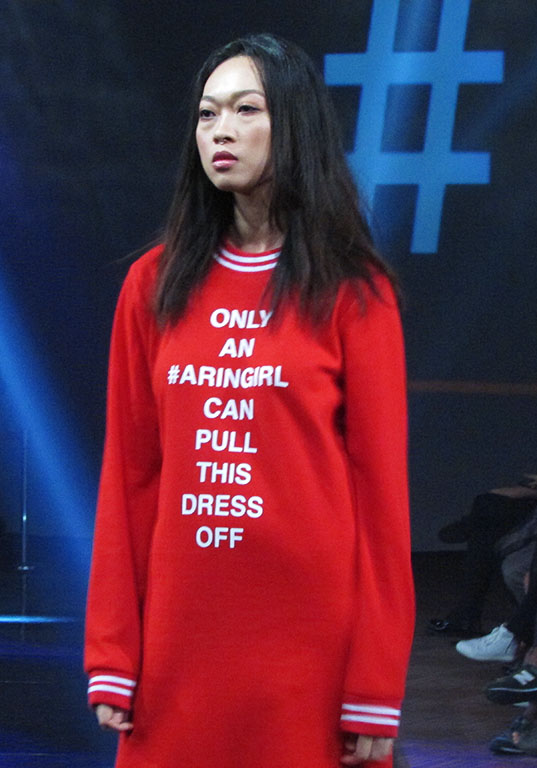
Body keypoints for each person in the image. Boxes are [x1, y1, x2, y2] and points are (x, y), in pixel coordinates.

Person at [84, 33, 414, 768]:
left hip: (310, 644)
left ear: (292, 124)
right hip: (181, 638)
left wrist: (374, 680)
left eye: (245, 109)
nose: (220, 131)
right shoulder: (152, 284)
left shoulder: (353, 290)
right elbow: (129, 477)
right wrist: (113, 649)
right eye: (207, 114)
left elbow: (381, 498)